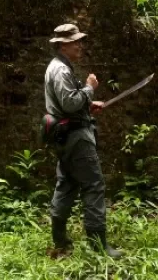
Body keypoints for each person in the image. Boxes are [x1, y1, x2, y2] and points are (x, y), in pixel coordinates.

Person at [45, 23, 121, 258]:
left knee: (67, 184)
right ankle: (99, 245)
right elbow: (68, 104)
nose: (80, 45)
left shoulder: (59, 68)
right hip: (76, 139)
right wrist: (89, 89)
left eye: (80, 40)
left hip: (66, 137)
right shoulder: (61, 70)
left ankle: (60, 240)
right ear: (63, 45)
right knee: (94, 185)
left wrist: (88, 104)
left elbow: (67, 102)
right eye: (75, 41)